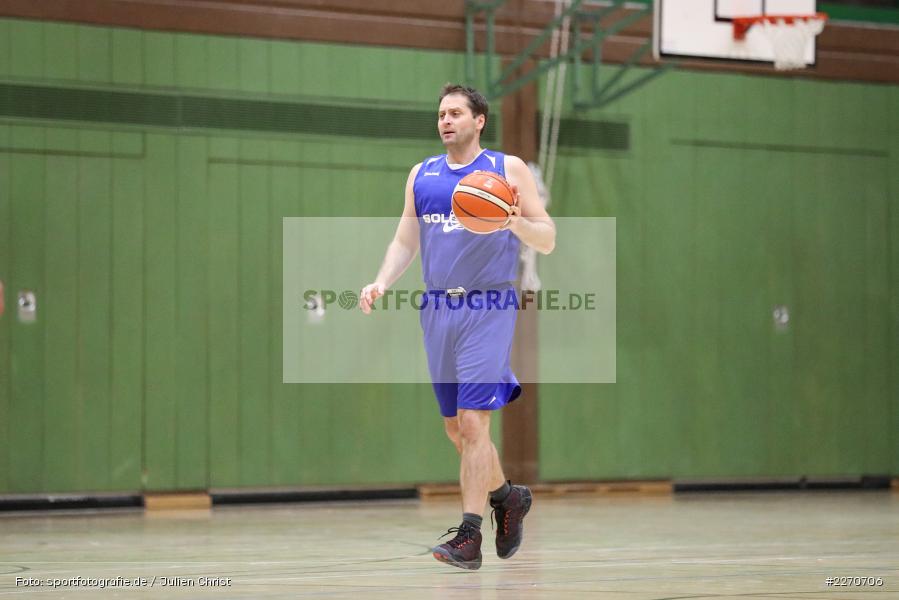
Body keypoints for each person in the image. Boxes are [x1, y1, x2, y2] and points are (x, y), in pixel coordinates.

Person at [359, 83, 555, 570]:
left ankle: (469, 537)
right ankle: (507, 496)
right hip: (437, 308)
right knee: (457, 430)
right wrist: (381, 281)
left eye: (455, 113)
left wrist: (515, 223)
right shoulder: (421, 175)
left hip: (489, 304)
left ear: (479, 120)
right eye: (441, 114)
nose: (445, 120)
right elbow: (406, 240)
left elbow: (547, 237)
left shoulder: (507, 169)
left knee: (473, 423)